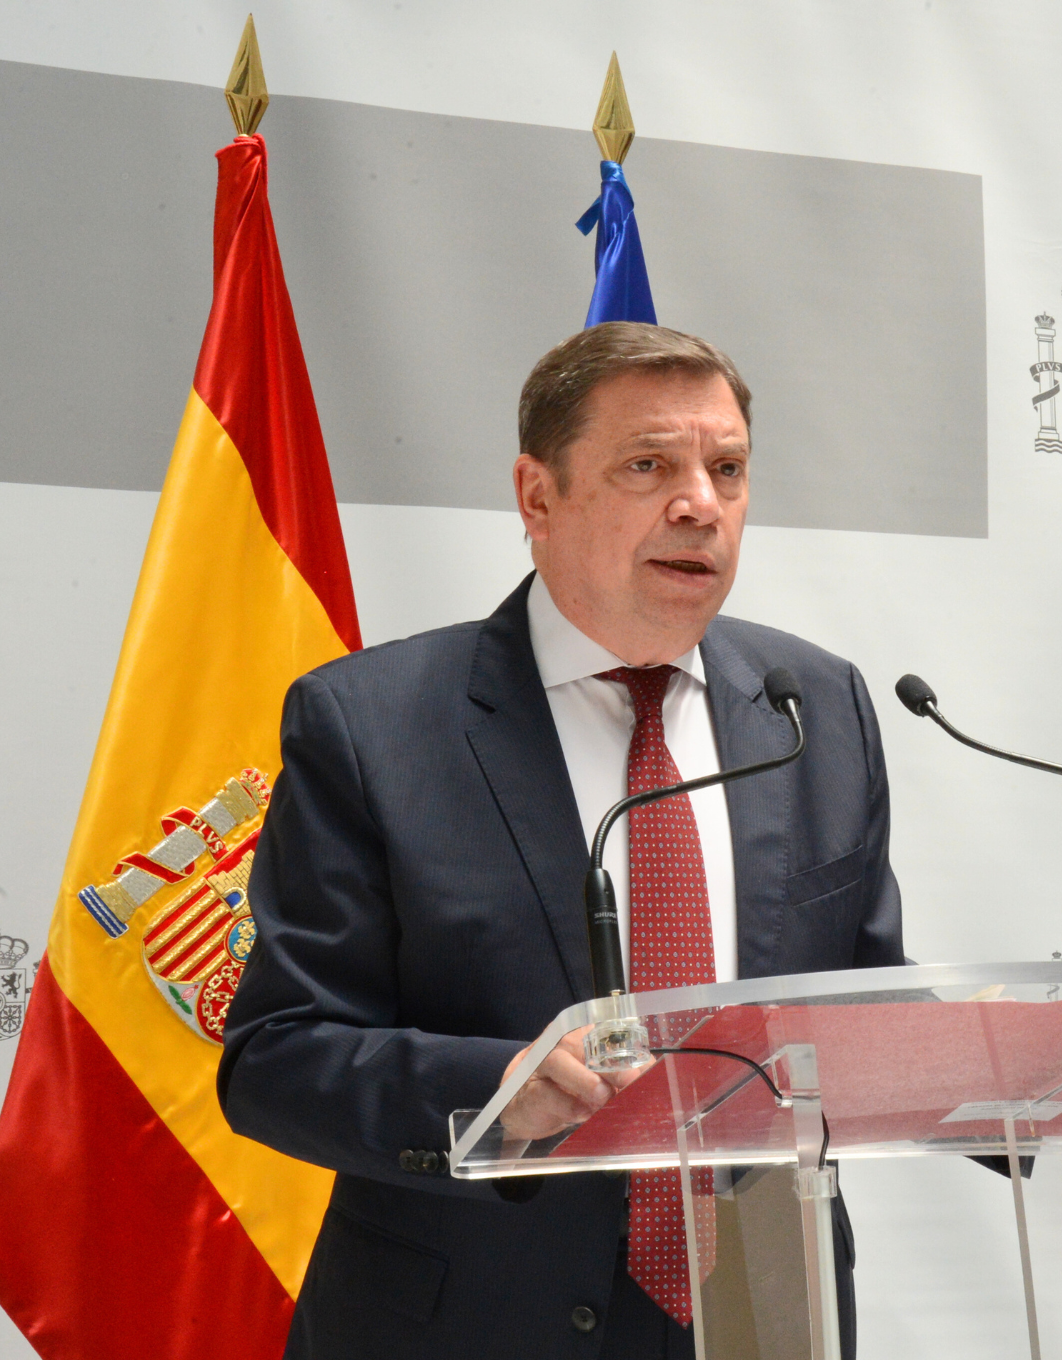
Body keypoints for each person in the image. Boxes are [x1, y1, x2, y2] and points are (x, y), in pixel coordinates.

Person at [219, 322, 904, 1359]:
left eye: (726, 469)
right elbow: (274, 1058)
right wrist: (499, 1089)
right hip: (473, 1322)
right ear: (536, 497)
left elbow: (862, 1005)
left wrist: (1042, 1048)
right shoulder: (373, 724)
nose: (700, 504)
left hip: (761, 1309)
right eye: (648, 466)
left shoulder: (813, 707)